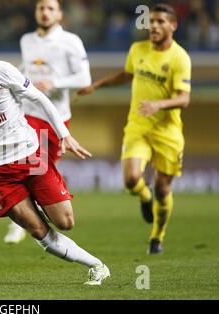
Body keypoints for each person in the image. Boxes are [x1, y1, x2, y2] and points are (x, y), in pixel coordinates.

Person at [0, 31, 110, 285]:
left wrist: (64, 134)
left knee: (65, 222)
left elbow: (39, 98)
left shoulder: (3, 72)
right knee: (38, 230)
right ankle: (96, 266)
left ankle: (37, 201)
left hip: (29, 156)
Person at [76, 4, 191, 254]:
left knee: (164, 189)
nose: (154, 26)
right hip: (138, 127)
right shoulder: (137, 49)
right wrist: (96, 85)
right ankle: (144, 196)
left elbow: (184, 98)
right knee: (130, 180)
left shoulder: (179, 58)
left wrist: (159, 104)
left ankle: (157, 237)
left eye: (161, 21)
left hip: (167, 132)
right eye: (152, 21)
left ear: (173, 25)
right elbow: (126, 75)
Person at [4, 0, 92, 244]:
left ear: (60, 14)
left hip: (56, 116)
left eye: (50, 9)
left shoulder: (70, 41)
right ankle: (20, 221)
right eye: (41, 8)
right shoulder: (27, 40)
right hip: (28, 113)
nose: (45, 12)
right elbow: (27, 69)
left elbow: (84, 77)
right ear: (36, 12)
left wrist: (56, 83)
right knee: (30, 167)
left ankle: (34, 216)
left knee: (42, 169)